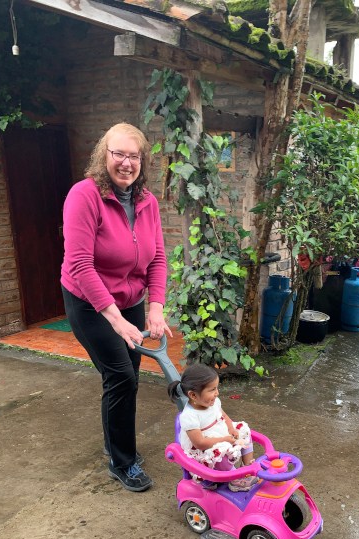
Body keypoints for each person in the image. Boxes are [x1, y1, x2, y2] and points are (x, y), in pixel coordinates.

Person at [61, 123, 171, 492]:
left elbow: (157, 258)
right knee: (121, 376)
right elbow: (80, 264)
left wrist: (155, 305)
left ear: (142, 160)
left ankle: (115, 441)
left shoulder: (147, 202)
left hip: (132, 300)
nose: (126, 163)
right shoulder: (84, 195)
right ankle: (122, 463)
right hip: (89, 302)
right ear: (103, 156)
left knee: (130, 376)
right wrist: (115, 319)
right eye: (118, 154)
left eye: (133, 156)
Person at [168, 364, 259, 492]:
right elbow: (199, 443)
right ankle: (235, 479)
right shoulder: (189, 416)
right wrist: (224, 440)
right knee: (220, 452)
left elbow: (223, 415)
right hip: (206, 445)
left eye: (216, 388)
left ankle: (248, 467)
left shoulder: (213, 402)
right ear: (193, 395)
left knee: (244, 430)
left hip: (220, 432)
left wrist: (231, 429)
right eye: (212, 390)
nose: (217, 393)